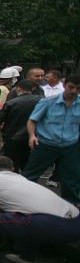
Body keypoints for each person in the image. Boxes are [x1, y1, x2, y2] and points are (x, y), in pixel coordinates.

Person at [23, 74, 80, 203]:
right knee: (30, 176)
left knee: (72, 179)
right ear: (64, 85)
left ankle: (71, 208)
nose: (74, 91)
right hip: (46, 143)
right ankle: (23, 203)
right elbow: (32, 121)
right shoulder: (49, 102)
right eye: (71, 87)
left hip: (70, 145)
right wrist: (32, 136)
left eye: (78, 88)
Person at [0, 80, 40, 171]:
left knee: (12, 163)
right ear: (32, 89)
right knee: (28, 163)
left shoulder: (11, 103)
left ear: (18, 89)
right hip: (33, 136)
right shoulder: (40, 101)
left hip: (12, 136)